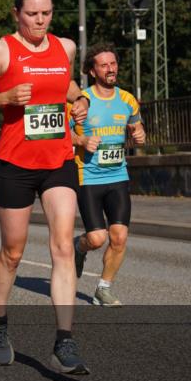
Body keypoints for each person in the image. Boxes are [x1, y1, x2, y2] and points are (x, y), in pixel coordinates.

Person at [0, 0, 92, 374]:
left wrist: (81, 99)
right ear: (16, 14)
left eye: (46, 14)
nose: (40, 21)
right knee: (14, 252)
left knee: (62, 247)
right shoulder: (0, 50)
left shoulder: (66, 47)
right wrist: (4, 98)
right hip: (16, 164)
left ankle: (64, 341)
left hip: (58, 160)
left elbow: (65, 85)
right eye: (32, 14)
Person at [71, 43, 145, 306]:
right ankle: (78, 247)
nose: (111, 69)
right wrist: (81, 141)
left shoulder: (127, 99)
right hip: (88, 177)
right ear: (93, 71)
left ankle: (103, 288)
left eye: (113, 63)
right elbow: (62, 134)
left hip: (118, 176)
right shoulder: (81, 100)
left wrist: (139, 134)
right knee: (97, 238)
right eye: (104, 65)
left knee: (119, 237)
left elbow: (138, 128)